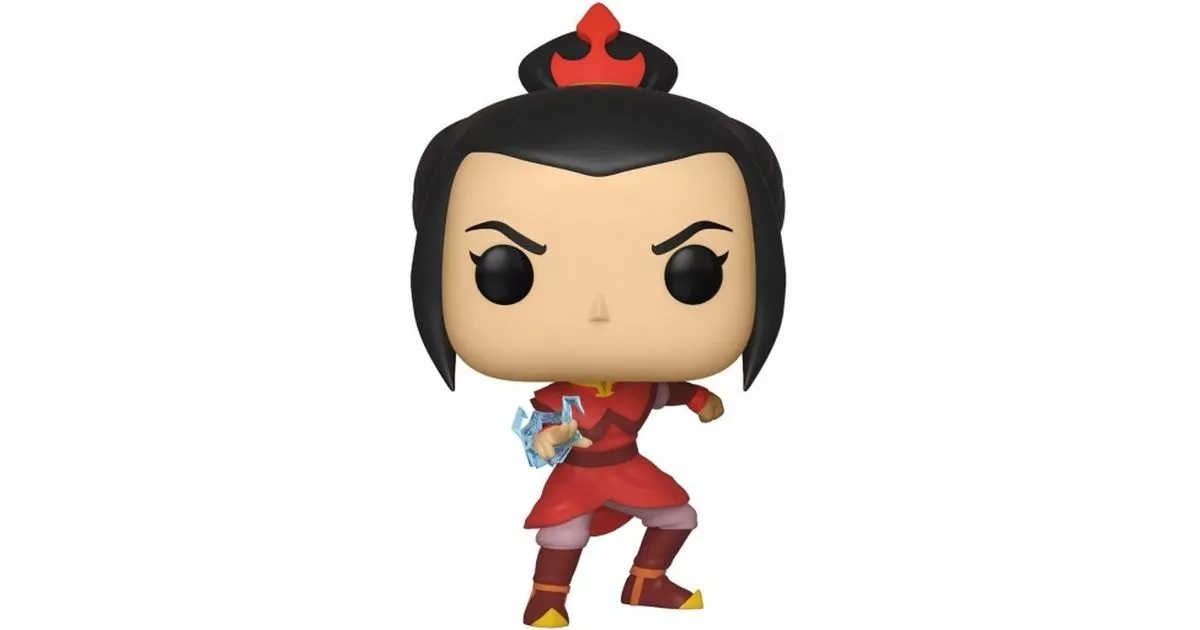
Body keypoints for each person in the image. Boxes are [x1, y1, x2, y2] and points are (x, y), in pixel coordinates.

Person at [410, 3, 786, 627]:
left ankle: (647, 582)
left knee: (678, 516)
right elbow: (539, 434)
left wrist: (699, 400)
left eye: (693, 271)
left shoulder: (641, 385)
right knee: (566, 532)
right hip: (582, 475)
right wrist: (549, 439)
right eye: (506, 271)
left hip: (628, 467)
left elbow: (667, 392)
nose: (599, 311)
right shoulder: (559, 396)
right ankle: (547, 598)